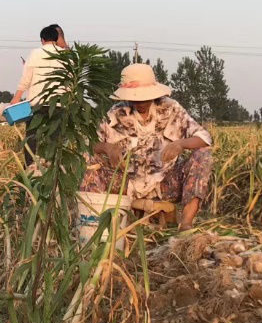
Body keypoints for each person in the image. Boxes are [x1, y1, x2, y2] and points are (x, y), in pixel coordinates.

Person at [84, 64, 213, 230]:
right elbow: (90, 143)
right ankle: (94, 224)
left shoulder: (171, 109)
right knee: (89, 158)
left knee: (203, 156)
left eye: (145, 98)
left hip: (164, 184)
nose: (141, 103)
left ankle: (186, 223)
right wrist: (107, 147)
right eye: (135, 99)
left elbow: (204, 138)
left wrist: (181, 144)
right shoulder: (116, 113)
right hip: (126, 184)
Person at [11, 25, 64, 164]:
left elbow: (26, 78)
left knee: (32, 135)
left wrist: (16, 98)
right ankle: (54, 165)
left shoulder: (34, 54)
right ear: (56, 39)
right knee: (55, 136)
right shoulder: (65, 55)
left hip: (36, 103)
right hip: (57, 103)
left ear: (42, 40)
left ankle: (30, 165)